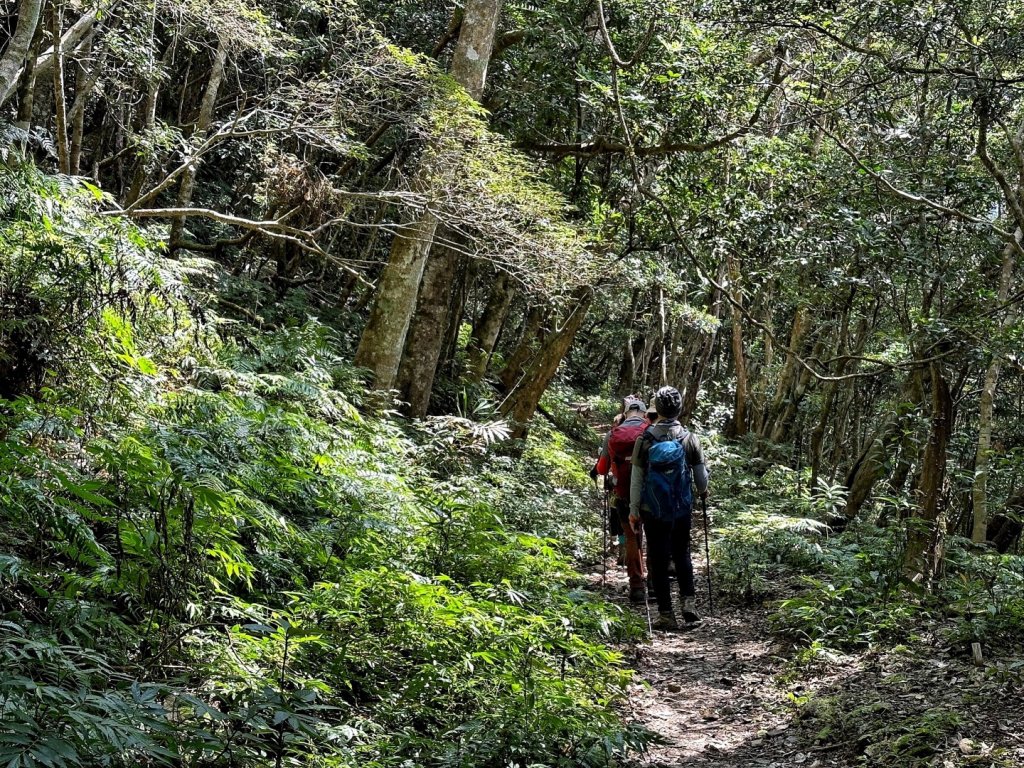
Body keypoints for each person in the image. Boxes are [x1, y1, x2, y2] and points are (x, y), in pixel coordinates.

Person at [629, 386, 709, 630]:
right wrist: (703, 492)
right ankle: (689, 605)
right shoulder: (689, 438)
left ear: (657, 409)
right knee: (682, 553)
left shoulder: (645, 439)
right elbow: (701, 477)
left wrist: (634, 510)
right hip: (681, 507)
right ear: (679, 408)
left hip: (652, 509)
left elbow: (637, 477)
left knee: (657, 557)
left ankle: (666, 614)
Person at [591, 396, 649, 602]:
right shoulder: (651, 431)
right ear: (644, 413)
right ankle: (657, 584)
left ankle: (637, 586)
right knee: (653, 537)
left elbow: (601, 468)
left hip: (623, 493)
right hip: (651, 494)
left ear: (625, 414)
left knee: (632, 537)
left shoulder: (612, 434)